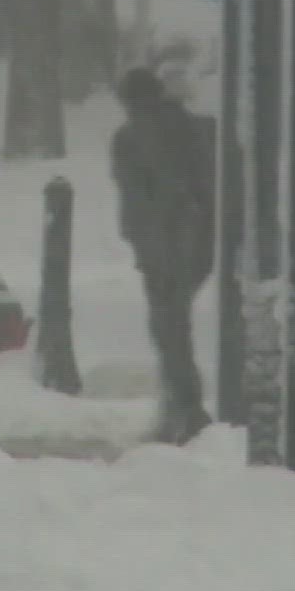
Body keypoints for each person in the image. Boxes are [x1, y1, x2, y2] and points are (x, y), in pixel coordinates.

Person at [111, 66, 219, 445]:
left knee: (168, 328)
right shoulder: (197, 128)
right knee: (176, 324)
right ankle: (183, 406)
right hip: (202, 242)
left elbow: (137, 201)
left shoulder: (130, 139)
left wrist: (141, 243)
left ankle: (185, 409)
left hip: (162, 245)